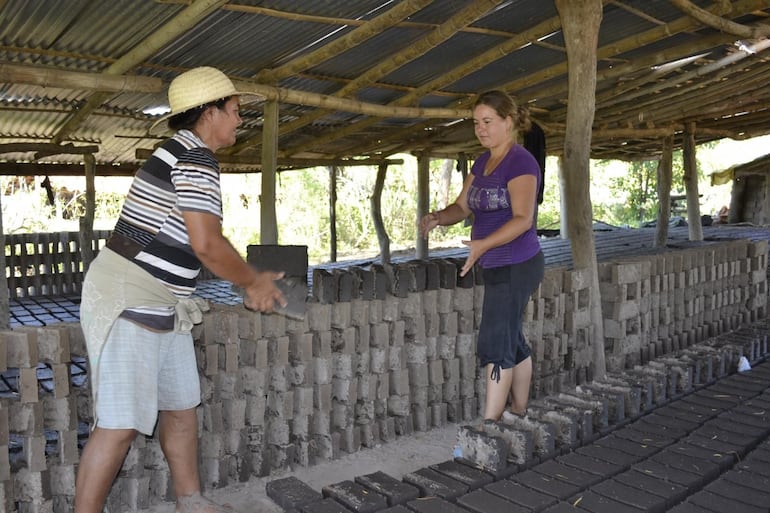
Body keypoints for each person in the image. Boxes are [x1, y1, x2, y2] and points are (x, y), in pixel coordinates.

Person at [75, 67, 286, 513]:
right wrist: (253, 281)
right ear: (210, 113)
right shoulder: (195, 158)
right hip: (131, 297)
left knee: (180, 407)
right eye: (234, 111)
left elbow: (198, 245)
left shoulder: (181, 152)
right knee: (119, 424)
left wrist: (248, 277)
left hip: (164, 301)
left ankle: (190, 501)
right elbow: (206, 244)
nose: (238, 120)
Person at [419, 90, 544, 421]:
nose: (481, 129)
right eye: (476, 123)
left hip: (517, 263)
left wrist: (483, 244)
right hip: (495, 263)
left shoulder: (521, 162)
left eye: (488, 122)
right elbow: (462, 206)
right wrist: (438, 217)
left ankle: (491, 424)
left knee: (495, 343)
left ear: (509, 121)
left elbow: (523, 219)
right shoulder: (483, 162)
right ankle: (518, 411)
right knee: (511, 337)